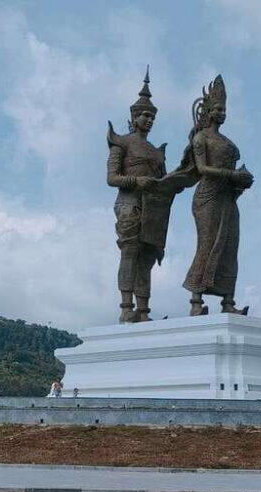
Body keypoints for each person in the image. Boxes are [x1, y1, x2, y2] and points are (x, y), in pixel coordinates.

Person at [180, 74, 255, 316]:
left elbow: (232, 173)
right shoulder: (201, 138)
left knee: (230, 246)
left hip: (227, 198)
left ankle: (228, 300)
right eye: (218, 109)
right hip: (208, 197)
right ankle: (196, 300)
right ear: (208, 111)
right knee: (208, 244)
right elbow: (202, 169)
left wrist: (241, 180)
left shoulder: (227, 142)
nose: (222, 113)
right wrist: (232, 175)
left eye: (224, 109)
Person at [107, 68, 169, 324]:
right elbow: (112, 178)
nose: (149, 120)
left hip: (152, 209)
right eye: (145, 115)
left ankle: (143, 310)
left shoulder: (156, 152)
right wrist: (136, 181)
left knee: (147, 258)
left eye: (152, 116)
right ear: (134, 116)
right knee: (130, 253)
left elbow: (165, 183)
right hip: (129, 204)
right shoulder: (121, 142)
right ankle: (126, 307)